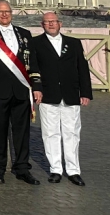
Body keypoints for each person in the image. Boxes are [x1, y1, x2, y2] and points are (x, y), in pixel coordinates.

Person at [0, 0, 38, 185]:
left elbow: (32, 62)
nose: (4, 15)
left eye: (7, 12)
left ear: (12, 13)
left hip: (21, 91)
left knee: (22, 132)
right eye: (0, 12)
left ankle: (22, 168)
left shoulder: (25, 34)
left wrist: (37, 87)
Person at [31, 11, 92, 186]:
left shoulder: (73, 43)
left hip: (71, 94)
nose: (51, 24)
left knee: (72, 133)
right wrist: (37, 88)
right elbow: (34, 68)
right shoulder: (36, 43)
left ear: (60, 23)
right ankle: (55, 169)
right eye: (47, 22)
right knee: (50, 134)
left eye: (54, 21)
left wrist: (85, 92)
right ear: (42, 25)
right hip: (47, 95)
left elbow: (82, 68)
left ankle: (73, 170)